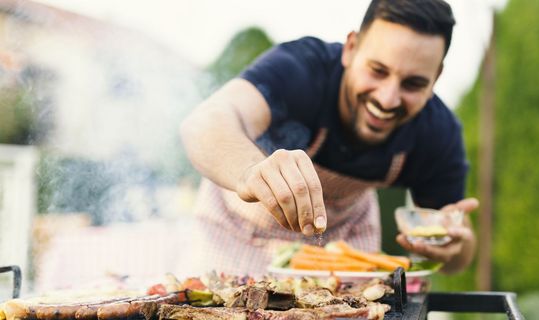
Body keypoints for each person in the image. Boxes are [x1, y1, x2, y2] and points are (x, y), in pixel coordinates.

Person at [179, 0, 478, 276]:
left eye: (413, 84)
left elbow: (459, 256)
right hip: (236, 235)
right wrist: (249, 172)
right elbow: (205, 123)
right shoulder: (303, 68)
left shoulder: (437, 131)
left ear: (436, 77)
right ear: (351, 48)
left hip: (344, 246)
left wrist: (452, 248)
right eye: (377, 70)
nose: (387, 99)